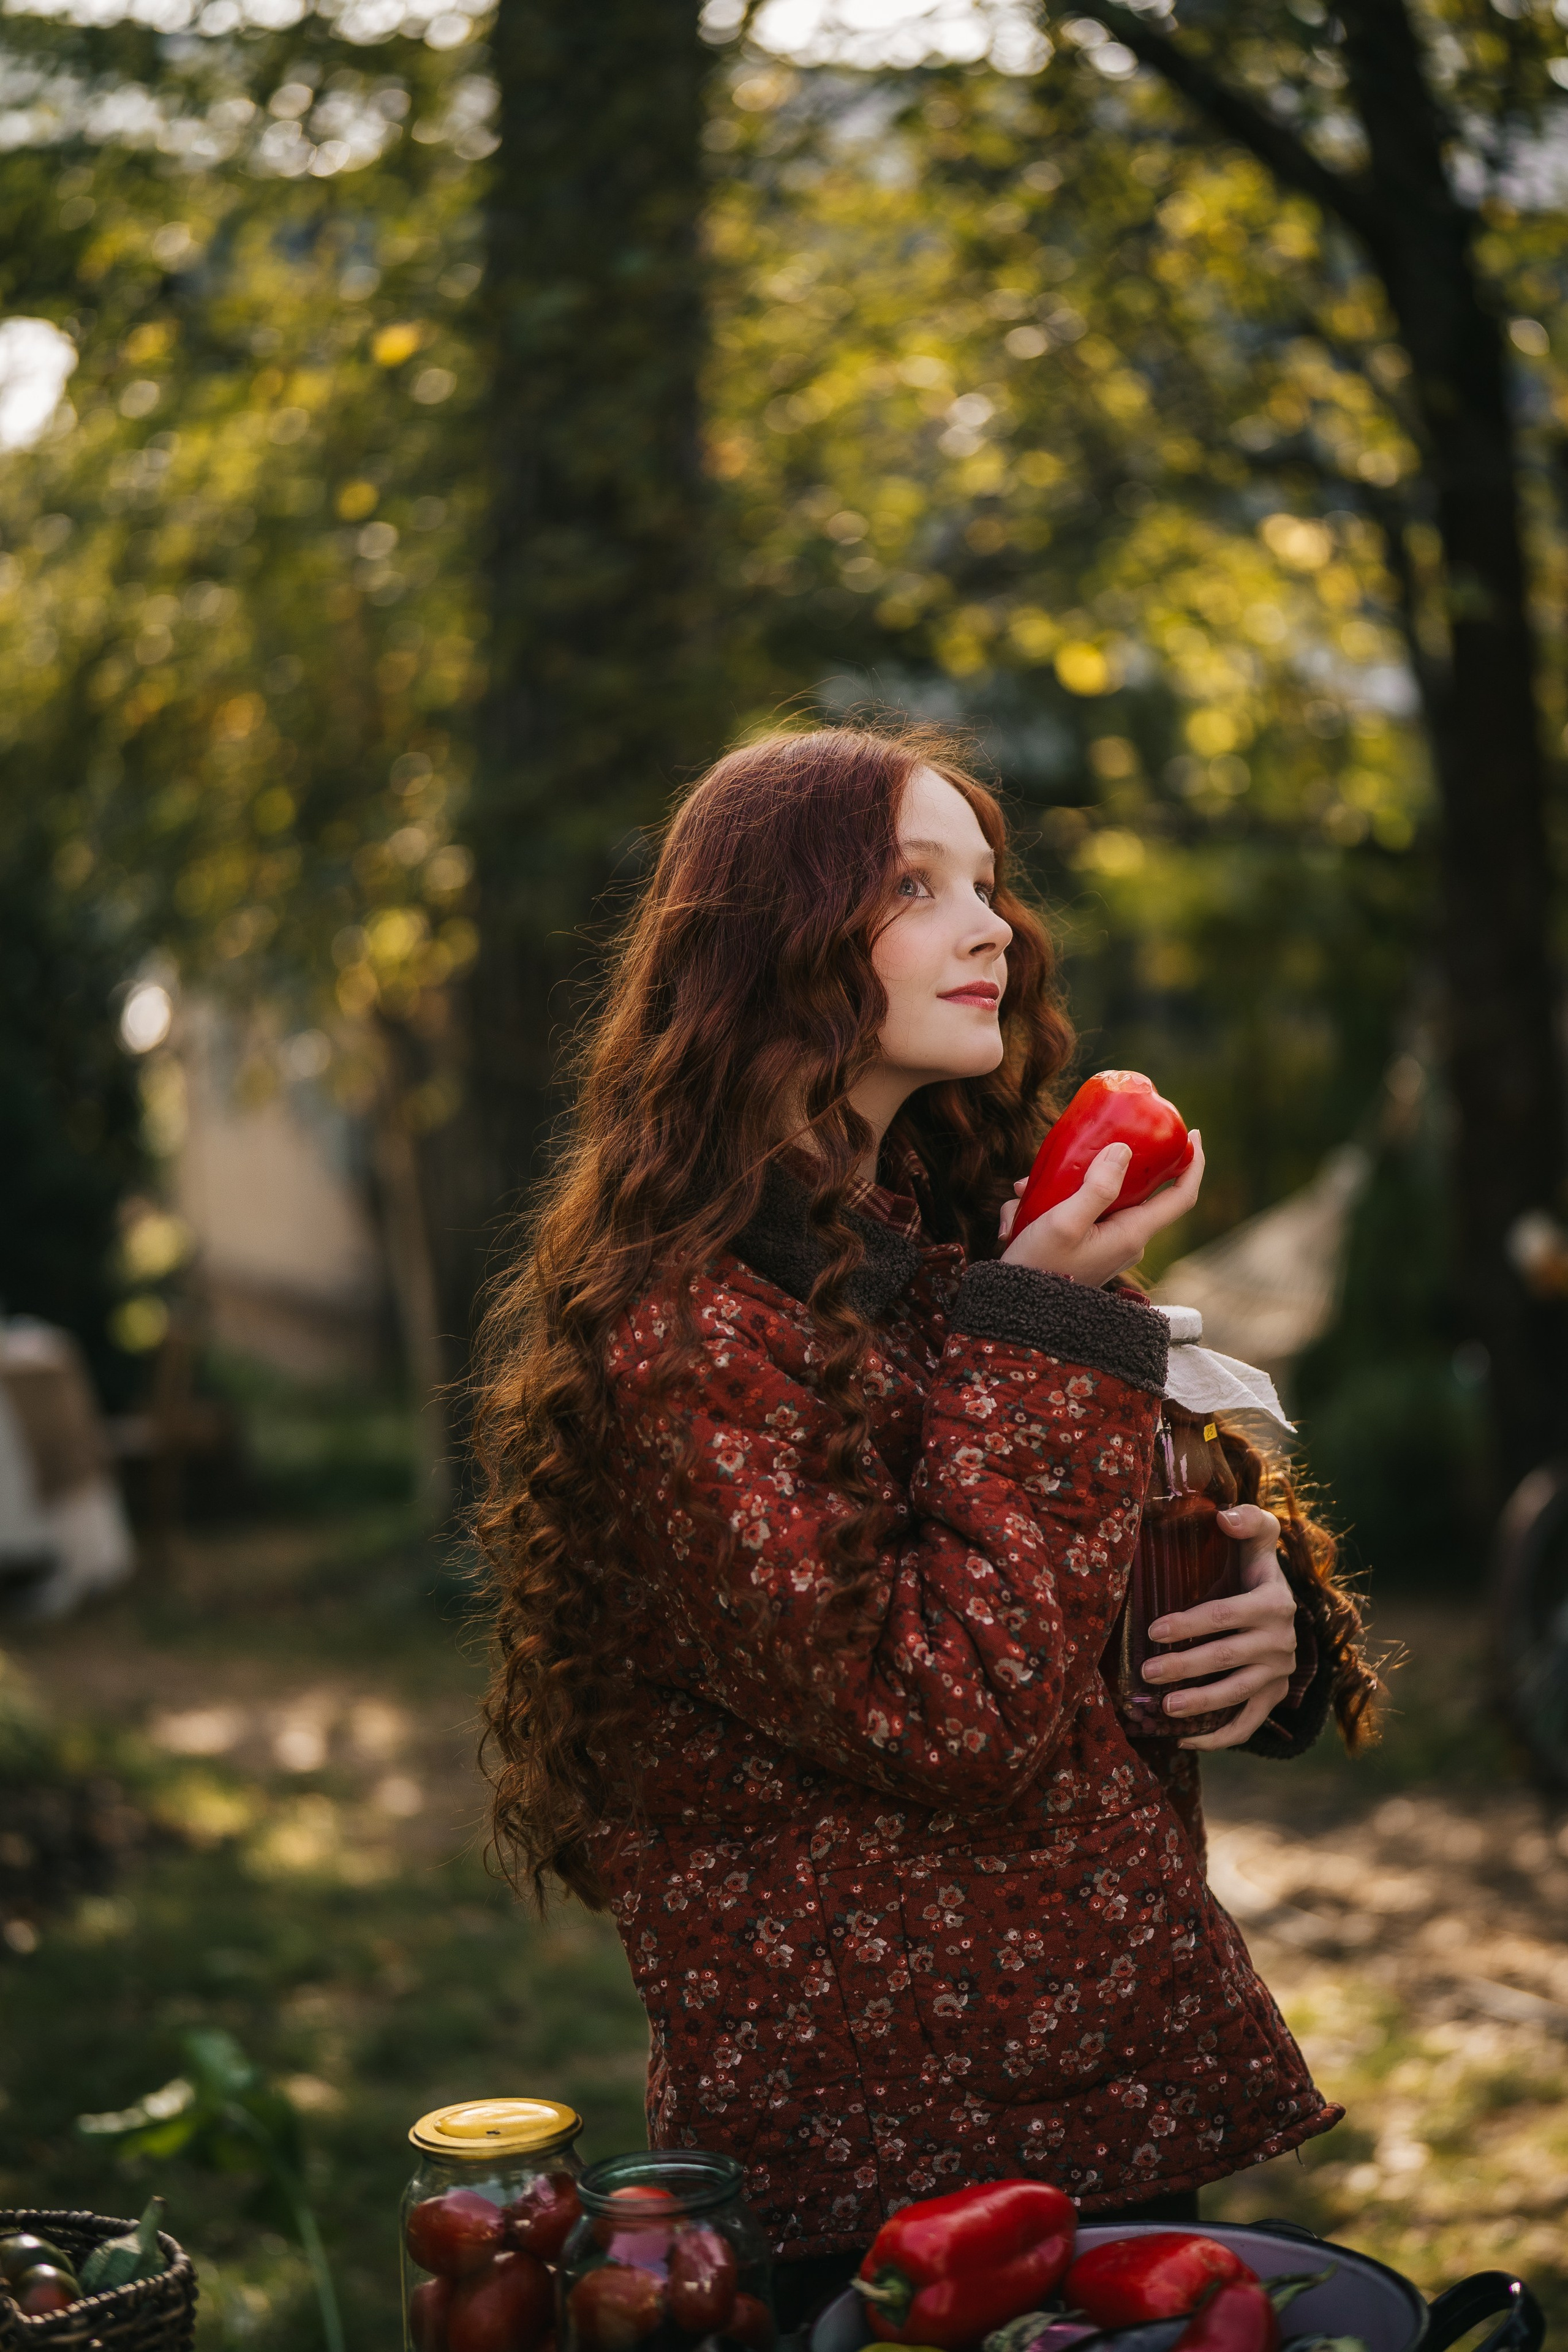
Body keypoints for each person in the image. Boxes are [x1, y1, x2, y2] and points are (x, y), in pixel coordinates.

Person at [475, 726, 1378, 2326]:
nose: (996, 929)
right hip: (893, 2179)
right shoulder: (685, 1336)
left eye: (988, 883)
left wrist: (1273, 1623)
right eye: (914, 884)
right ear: (779, 944)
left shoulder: (931, 1261)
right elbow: (937, 1709)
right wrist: (1051, 1315)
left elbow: (1064, 1579)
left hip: (1079, 2103)